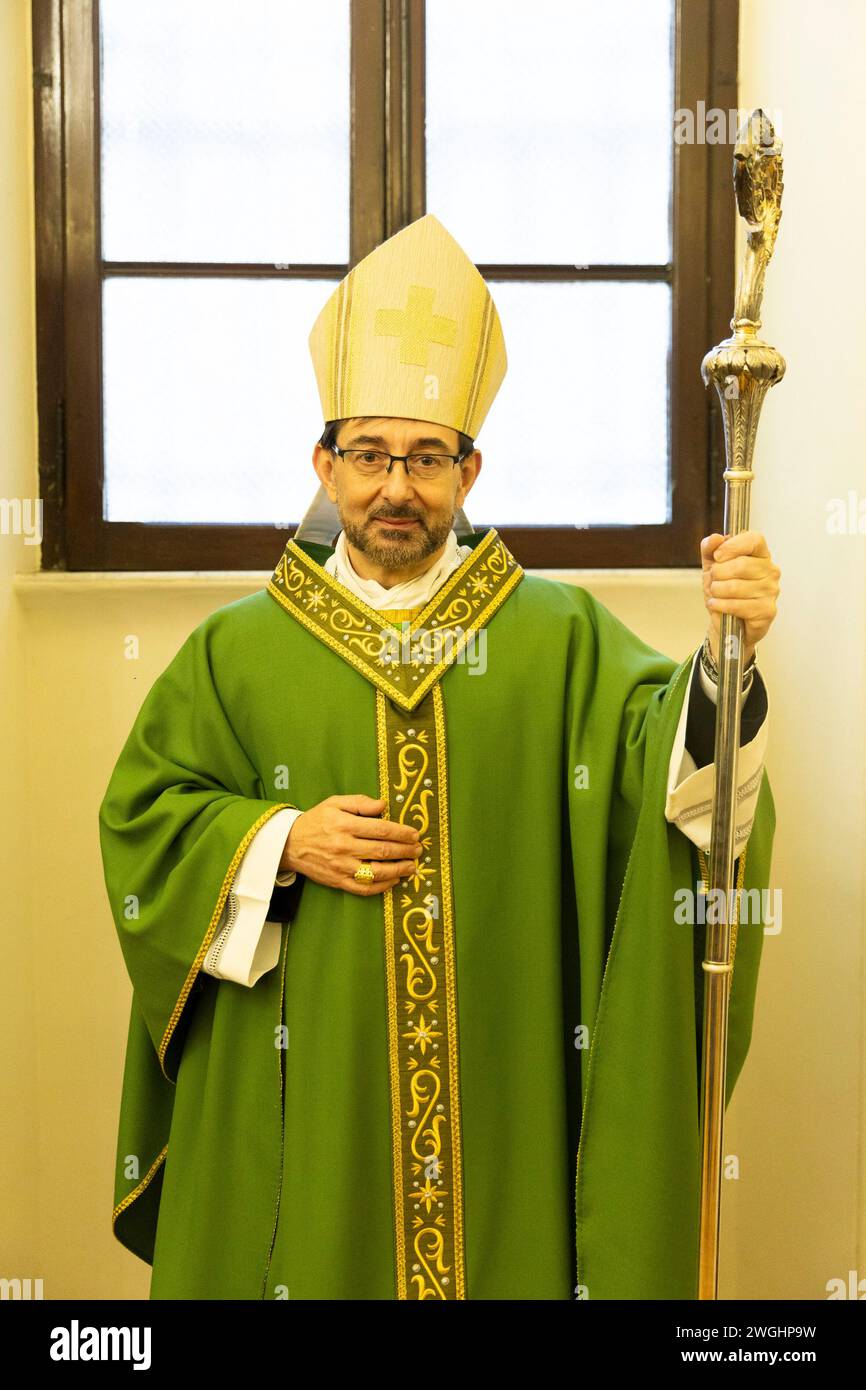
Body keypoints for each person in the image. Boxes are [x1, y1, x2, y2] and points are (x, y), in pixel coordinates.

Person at [99, 213, 778, 1300]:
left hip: (506, 1110)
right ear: (324, 463)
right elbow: (142, 827)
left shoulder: (557, 636)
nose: (394, 488)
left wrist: (724, 655)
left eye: (424, 458)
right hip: (303, 1108)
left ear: (468, 469)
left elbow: (678, 798)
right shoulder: (234, 649)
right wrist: (274, 839)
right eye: (367, 455)